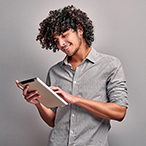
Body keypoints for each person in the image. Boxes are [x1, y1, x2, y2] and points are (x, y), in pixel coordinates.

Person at [16, 5, 128, 146]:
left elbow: (119, 112)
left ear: (79, 29)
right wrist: (38, 104)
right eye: (56, 40)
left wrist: (75, 100)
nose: (61, 44)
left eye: (64, 35)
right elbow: (53, 121)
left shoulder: (110, 65)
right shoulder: (54, 72)